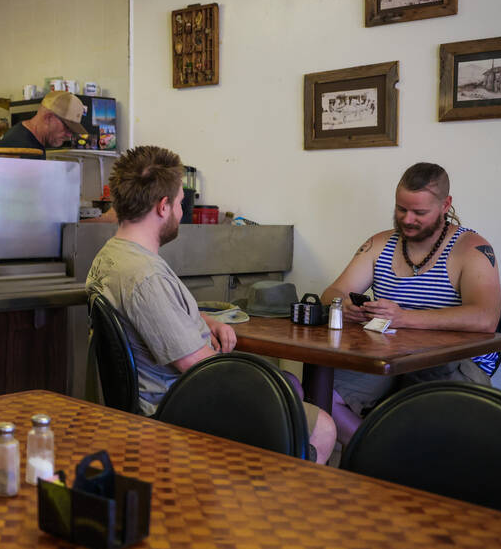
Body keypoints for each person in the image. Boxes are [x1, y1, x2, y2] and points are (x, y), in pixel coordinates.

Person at [86, 145, 336, 463]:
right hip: (178, 407)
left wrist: (203, 320)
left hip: (157, 398)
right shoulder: (144, 276)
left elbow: (154, 319)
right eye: (179, 204)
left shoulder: (112, 256)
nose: (180, 212)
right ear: (163, 206)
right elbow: (201, 369)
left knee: (289, 389)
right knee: (322, 426)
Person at [321, 162, 501, 442]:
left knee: (435, 429)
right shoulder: (379, 244)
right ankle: (375, 456)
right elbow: (332, 291)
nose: (407, 219)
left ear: (445, 205)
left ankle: (385, 461)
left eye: (420, 212)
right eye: (401, 209)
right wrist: (343, 304)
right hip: (387, 355)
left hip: (452, 360)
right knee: (320, 396)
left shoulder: (471, 248)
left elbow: (485, 318)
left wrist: (404, 317)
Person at [0, 90, 87, 156]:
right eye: (67, 127)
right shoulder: (18, 146)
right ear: (48, 118)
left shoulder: (36, 144)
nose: (69, 135)